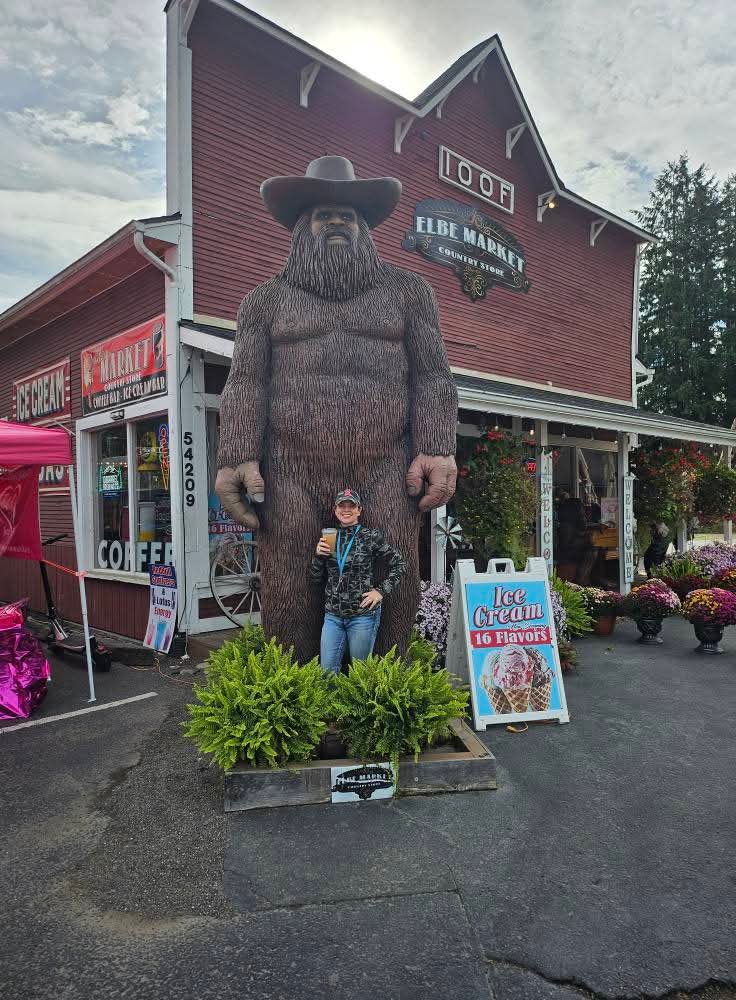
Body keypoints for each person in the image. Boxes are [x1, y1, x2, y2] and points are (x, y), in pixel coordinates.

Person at [215, 155, 457, 663]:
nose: (336, 223)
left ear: (364, 229)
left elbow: (433, 374)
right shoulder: (264, 301)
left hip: (387, 461)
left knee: (393, 566)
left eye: (347, 216)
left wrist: (437, 448)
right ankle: (297, 687)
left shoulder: (409, 293)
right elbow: (245, 382)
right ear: (301, 230)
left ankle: (385, 687)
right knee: (288, 575)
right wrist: (236, 456)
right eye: (323, 216)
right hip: (291, 464)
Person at [310, 489, 406, 672]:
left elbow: (400, 564)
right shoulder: (329, 537)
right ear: (335, 509)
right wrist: (318, 556)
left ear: (359, 510)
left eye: (351, 506)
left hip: (362, 616)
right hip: (333, 616)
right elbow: (315, 578)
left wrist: (380, 591)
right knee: (326, 672)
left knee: (360, 673)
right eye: (342, 505)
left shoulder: (370, 536)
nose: (346, 509)